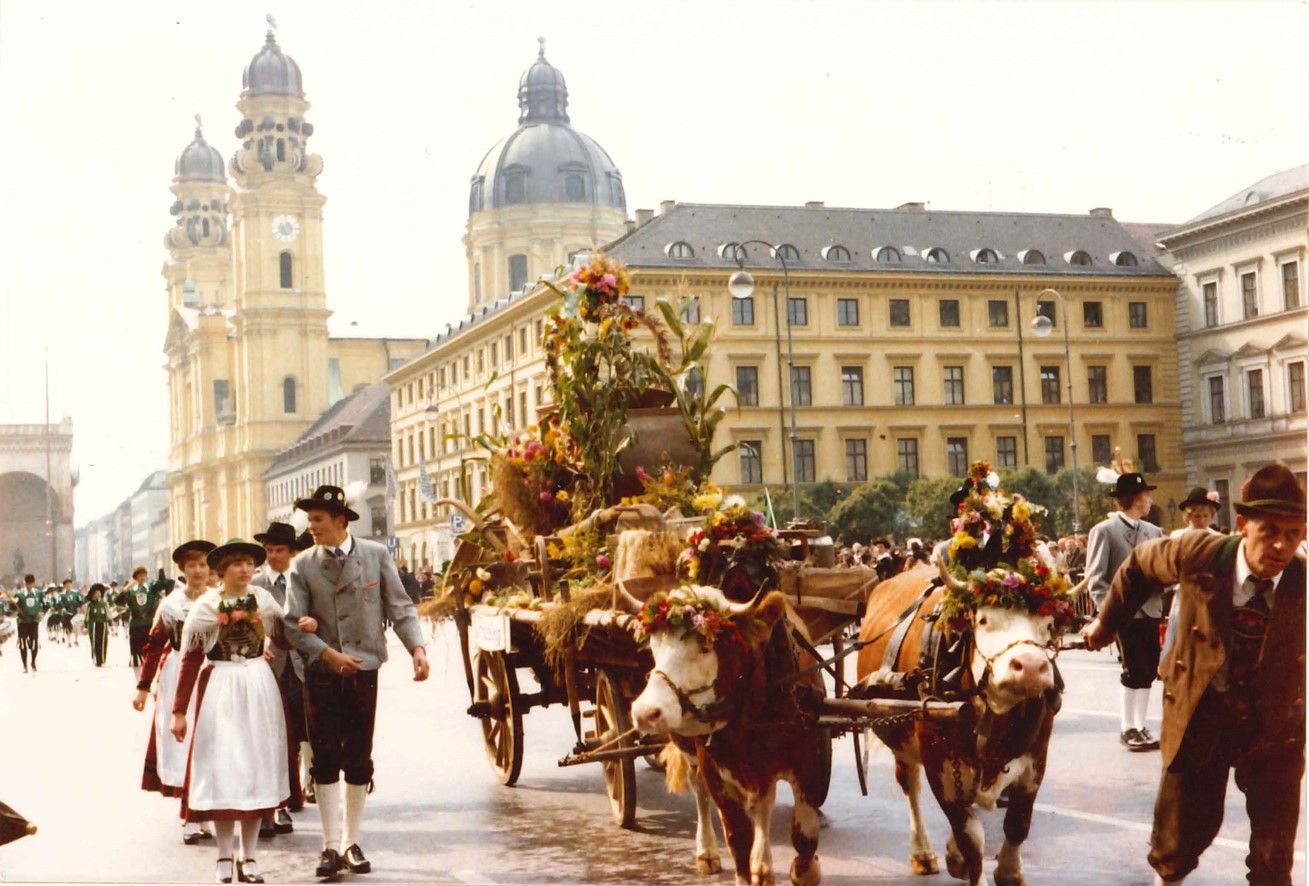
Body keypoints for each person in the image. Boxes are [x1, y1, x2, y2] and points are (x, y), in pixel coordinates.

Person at [1081, 464, 1306, 885]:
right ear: (1241, 525)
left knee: (1275, 859)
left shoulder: (1301, 579)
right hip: (1202, 714)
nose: (1281, 545)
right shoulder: (1197, 554)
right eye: (1269, 531)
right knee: (1176, 845)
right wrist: (1105, 624)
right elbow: (1136, 568)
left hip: (1273, 728)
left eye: (1294, 534)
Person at [283, 485, 429, 878]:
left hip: (364, 670)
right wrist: (327, 653)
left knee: (359, 757)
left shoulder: (375, 555)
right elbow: (290, 624)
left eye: (317, 519)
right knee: (326, 756)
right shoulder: (303, 565)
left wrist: (416, 647)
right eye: (309, 519)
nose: (310, 526)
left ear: (340, 521)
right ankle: (330, 845)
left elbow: (399, 606)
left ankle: (351, 841)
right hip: (322, 672)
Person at [171, 539, 293, 886]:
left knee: (255, 768)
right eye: (236, 563)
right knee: (225, 769)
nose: (244, 569)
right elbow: (191, 658)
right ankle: (225, 854)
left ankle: (249, 855)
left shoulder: (264, 600)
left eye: (249, 563)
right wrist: (178, 711)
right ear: (221, 571)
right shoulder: (207, 606)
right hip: (222, 686)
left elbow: (283, 638)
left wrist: (304, 626)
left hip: (257, 684)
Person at [134, 540, 216, 845]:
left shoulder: (218, 600)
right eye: (192, 566)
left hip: (211, 673)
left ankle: (205, 811)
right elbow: (154, 646)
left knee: (209, 741)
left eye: (203, 565)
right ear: (182, 570)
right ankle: (189, 816)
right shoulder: (170, 605)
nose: (198, 571)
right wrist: (143, 687)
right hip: (178, 676)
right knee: (184, 744)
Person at [1087, 471, 1164, 752]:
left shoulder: (1154, 532)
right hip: (1123, 614)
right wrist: (1106, 617)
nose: (1150, 501)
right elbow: (1097, 578)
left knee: (1148, 670)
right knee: (1132, 669)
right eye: (1146, 496)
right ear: (1135, 499)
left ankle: (1141, 725)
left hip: (1151, 611)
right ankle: (1127, 726)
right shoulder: (1104, 531)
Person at [250, 521, 305, 838]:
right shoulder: (254, 584)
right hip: (269, 669)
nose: (273, 556)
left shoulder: (303, 579)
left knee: (303, 728)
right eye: (268, 551)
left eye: (279, 550)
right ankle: (282, 801)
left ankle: (299, 789)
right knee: (278, 734)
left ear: (292, 552)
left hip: (302, 666)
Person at [119, 566, 166, 683]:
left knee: (150, 653)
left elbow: (162, 584)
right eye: (139, 575)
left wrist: (161, 573)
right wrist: (126, 588)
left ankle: (149, 680)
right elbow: (118, 601)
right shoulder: (131, 591)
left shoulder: (150, 588)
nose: (142, 577)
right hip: (135, 624)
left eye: (144, 575)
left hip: (149, 624)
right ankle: (138, 681)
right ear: (135, 577)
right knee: (136, 655)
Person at [9, 575, 45, 673]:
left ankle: (33, 661)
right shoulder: (19, 594)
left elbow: (46, 604)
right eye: (27, 583)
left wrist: (41, 612)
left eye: (30, 583)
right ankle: (24, 665)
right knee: (23, 643)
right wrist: (12, 604)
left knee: (34, 643)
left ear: (33, 583)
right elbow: (13, 607)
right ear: (24, 583)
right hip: (23, 622)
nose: (29, 585)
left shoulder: (39, 594)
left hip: (34, 621)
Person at [85, 583, 110, 667]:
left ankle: (102, 659)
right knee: (95, 642)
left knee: (103, 641)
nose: (98, 594)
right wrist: (85, 626)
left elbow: (108, 614)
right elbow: (87, 616)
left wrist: (110, 624)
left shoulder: (104, 603)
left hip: (103, 624)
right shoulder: (90, 605)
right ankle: (96, 659)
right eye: (96, 593)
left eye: (99, 593)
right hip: (94, 625)